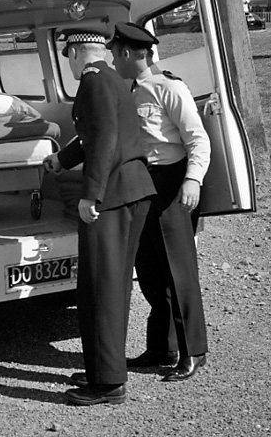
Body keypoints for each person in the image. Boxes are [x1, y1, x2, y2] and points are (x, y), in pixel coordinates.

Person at [43, 30, 155, 406]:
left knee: (100, 288)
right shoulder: (110, 78)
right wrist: (62, 160)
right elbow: (93, 136)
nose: (69, 64)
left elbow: (105, 138)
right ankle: (103, 369)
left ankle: (107, 383)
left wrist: (91, 195)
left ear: (75, 53)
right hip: (131, 190)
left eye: (67, 57)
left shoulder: (92, 81)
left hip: (114, 195)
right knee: (113, 285)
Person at [108, 22, 211, 382]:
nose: (113, 59)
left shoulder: (170, 88)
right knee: (150, 269)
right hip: (140, 184)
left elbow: (197, 139)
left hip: (170, 184)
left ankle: (193, 350)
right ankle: (161, 347)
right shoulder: (127, 89)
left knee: (178, 271)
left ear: (127, 53)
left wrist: (192, 180)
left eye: (114, 52)